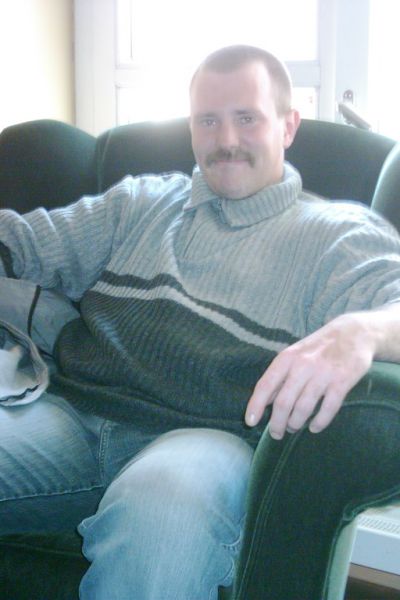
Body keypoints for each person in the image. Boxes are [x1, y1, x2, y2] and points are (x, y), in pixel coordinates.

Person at [1, 44, 400, 599]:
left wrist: (361, 331)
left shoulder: (338, 236)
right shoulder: (140, 204)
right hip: (70, 416)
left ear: (288, 125)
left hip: (206, 441)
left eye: (247, 118)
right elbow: (21, 243)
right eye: (208, 120)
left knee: (162, 516)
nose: (226, 139)